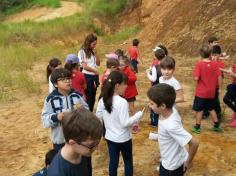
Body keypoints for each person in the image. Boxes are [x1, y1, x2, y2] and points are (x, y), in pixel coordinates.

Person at [96, 71, 144, 176]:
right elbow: (124, 123)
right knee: (128, 161)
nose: (126, 86)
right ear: (117, 85)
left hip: (110, 137)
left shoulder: (102, 100)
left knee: (113, 162)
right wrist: (137, 116)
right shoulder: (122, 102)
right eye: (125, 84)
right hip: (123, 138)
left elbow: (98, 117)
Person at [147, 84, 199, 176]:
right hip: (170, 159)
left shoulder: (171, 125)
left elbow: (194, 143)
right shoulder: (170, 110)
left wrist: (188, 162)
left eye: (151, 103)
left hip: (171, 167)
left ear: (163, 106)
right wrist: (159, 136)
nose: (149, 105)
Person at [41, 68, 88, 152]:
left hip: (78, 138)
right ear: (55, 84)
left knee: (82, 162)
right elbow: (44, 120)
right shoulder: (50, 99)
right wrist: (56, 117)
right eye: (63, 80)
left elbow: (86, 110)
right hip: (60, 140)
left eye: (68, 78)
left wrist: (82, 112)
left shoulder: (77, 95)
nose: (67, 81)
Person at [47, 108, 103, 176]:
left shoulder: (80, 151)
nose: (96, 148)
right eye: (92, 145)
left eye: (97, 143)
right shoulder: (57, 173)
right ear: (72, 143)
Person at [191, 44, 222, 134]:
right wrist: (219, 88)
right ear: (210, 54)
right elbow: (219, 76)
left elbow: (196, 78)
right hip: (211, 92)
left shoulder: (199, 64)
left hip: (201, 92)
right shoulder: (215, 64)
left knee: (199, 109)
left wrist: (196, 78)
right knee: (211, 108)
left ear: (201, 54)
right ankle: (216, 125)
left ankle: (197, 127)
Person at [78, 34, 100, 112]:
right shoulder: (82, 51)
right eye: (93, 44)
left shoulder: (93, 51)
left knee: (93, 96)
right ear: (88, 42)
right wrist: (94, 71)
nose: (95, 46)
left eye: (95, 44)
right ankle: (87, 113)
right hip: (87, 76)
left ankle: (90, 111)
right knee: (88, 96)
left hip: (94, 77)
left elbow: (98, 63)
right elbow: (84, 66)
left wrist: (96, 54)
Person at [146, 48, 166, 127]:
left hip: (156, 87)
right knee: (161, 103)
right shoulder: (166, 65)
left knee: (154, 103)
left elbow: (153, 79)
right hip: (163, 87)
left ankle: (154, 122)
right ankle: (162, 120)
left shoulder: (155, 67)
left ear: (156, 57)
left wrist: (148, 73)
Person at [221, 58, 236, 127]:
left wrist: (233, 74)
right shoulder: (234, 65)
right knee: (226, 99)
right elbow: (229, 71)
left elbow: (232, 74)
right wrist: (220, 69)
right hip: (234, 85)